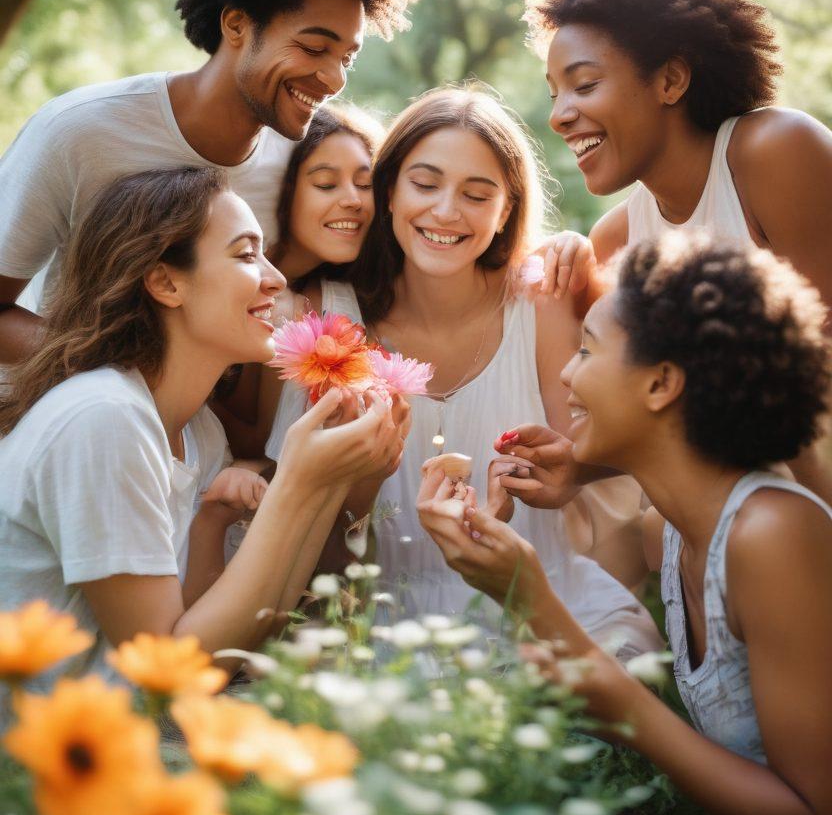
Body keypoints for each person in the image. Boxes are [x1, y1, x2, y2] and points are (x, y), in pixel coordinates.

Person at [419, 234, 832, 815]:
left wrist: (535, 601)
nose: (565, 374)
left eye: (585, 350)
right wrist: (582, 466)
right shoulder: (666, 530)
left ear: (662, 383)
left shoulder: (773, 535)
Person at [266, 84, 662, 653]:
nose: (446, 212)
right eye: (425, 184)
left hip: (541, 597)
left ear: (507, 212)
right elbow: (310, 542)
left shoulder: (542, 299)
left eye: (478, 195)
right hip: (383, 614)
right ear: (391, 191)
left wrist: (560, 474)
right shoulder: (326, 319)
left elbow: (593, 459)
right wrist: (362, 484)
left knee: (624, 661)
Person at [0, 166, 405, 702]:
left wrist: (337, 480)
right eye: (244, 254)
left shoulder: (199, 432)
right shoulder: (103, 419)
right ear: (167, 282)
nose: (276, 279)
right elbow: (170, 674)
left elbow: (226, 638)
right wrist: (300, 484)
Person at [0, 0, 417, 364]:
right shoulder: (80, 132)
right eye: (313, 48)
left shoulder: (301, 163)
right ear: (237, 24)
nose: (333, 78)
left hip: (195, 435)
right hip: (62, 419)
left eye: (347, 57)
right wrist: (114, 375)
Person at [522, 0, 832, 502]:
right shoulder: (616, 240)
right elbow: (663, 416)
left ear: (670, 81)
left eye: (584, 85)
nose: (560, 116)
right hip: (721, 522)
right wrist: (577, 468)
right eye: (555, 93)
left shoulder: (776, 153)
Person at [218, 101, 384, 462]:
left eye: (365, 184)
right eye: (326, 184)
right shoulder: (233, 283)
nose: (354, 200)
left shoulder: (330, 298)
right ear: (285, 189)